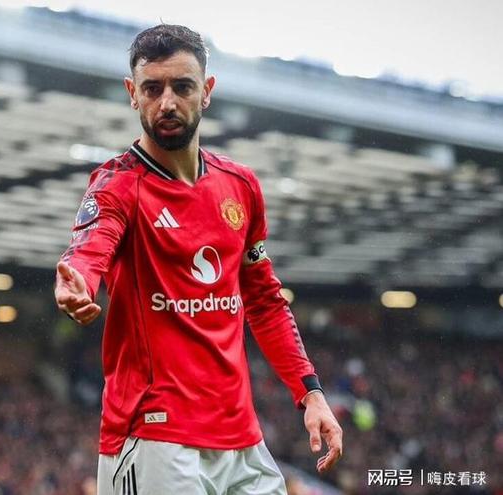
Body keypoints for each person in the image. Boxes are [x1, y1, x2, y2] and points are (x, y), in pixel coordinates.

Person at [55, 24, 343, 495]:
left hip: (242, 440)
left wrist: (310, 392)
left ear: (206, 91)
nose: (167, 102)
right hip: (155, 437)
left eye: (182, 87)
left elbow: (265, 301)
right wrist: (78, 281)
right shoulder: (117, 186)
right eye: (153, 88)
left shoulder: (240, 186)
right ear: (132, 94)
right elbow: (90, 248)